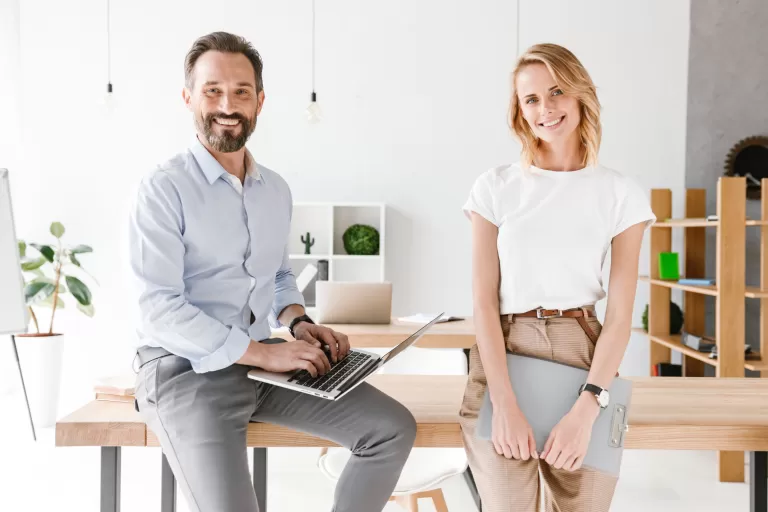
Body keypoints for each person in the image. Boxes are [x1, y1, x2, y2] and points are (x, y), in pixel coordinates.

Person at [128, 31, 416, 512]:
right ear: (188, 98)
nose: (227, 104)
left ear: (260, 101)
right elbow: (158, 309)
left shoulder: (273, 190)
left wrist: (300, 323)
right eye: (212, 90)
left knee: (390, 429)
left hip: (260, 365)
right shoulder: (162, 189)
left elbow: (278, 274)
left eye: (241, 91)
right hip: (183, 372)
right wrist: (261, 352)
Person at [459, 43, 656, 511]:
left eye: (557, 92)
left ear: (580, 95)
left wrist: (589, 406)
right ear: (519, 110)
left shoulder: (620, 194)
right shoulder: (494, 187)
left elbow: (621, 316)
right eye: (531, 100)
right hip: (504, 350)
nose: (545, 109)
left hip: (583, 353)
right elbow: (484, 302)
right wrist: (504, 404)